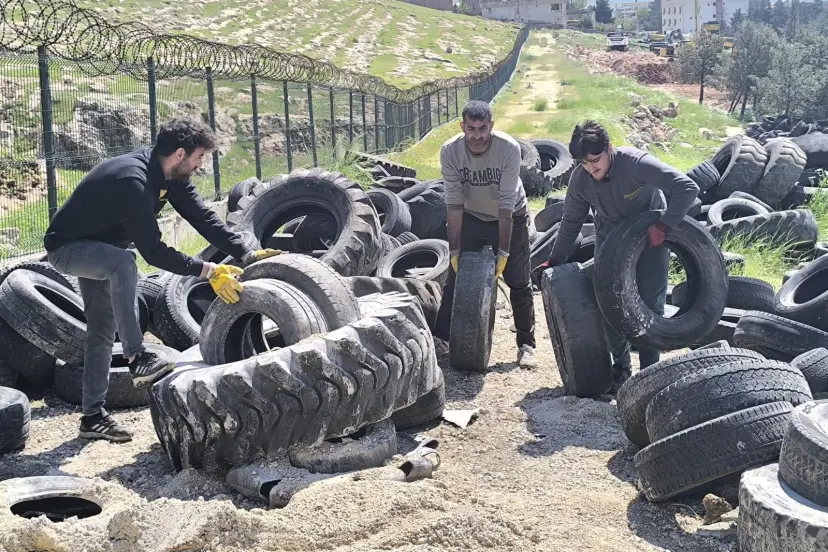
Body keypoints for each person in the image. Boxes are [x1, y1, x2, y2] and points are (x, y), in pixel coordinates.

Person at [44, 117, 280, 443]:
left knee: (101, 330)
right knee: (125, 263)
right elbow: (153, 252)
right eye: (199, 157)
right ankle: (137, 356)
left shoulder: (170, 175)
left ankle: (92, 418)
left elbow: (202, 217)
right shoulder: (134, 180)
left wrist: (246, 252)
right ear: (180, 154)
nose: (200, 165)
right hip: (67, 249)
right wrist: (208, 271)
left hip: (102, 249)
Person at [534, 120, 699, 390]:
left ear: (609, 148)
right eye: (584, 163)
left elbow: (687, 187)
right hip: (610, 243)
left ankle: (650, 374)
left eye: (595, 160)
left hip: (650, 241)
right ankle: (621, 367)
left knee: (649, 308)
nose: (591, 168)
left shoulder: (636, 163)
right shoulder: (580, 179)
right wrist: (554, 259)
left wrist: (664, 225)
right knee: (610, 306)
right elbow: (571, 222)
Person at [434, 100, 537, 368]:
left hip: (511, 215)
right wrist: (454, 250)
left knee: (519, 280)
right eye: (471, 128)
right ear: (462, 127)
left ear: (491, 126)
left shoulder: (508, 149)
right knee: (455, 277)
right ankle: (441, 338)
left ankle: (526, 344)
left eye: (483, 128)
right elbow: (453, 204)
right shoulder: (450, 151)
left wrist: (503, 252)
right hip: (473, 215)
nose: (477, 135)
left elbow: (506, 204)